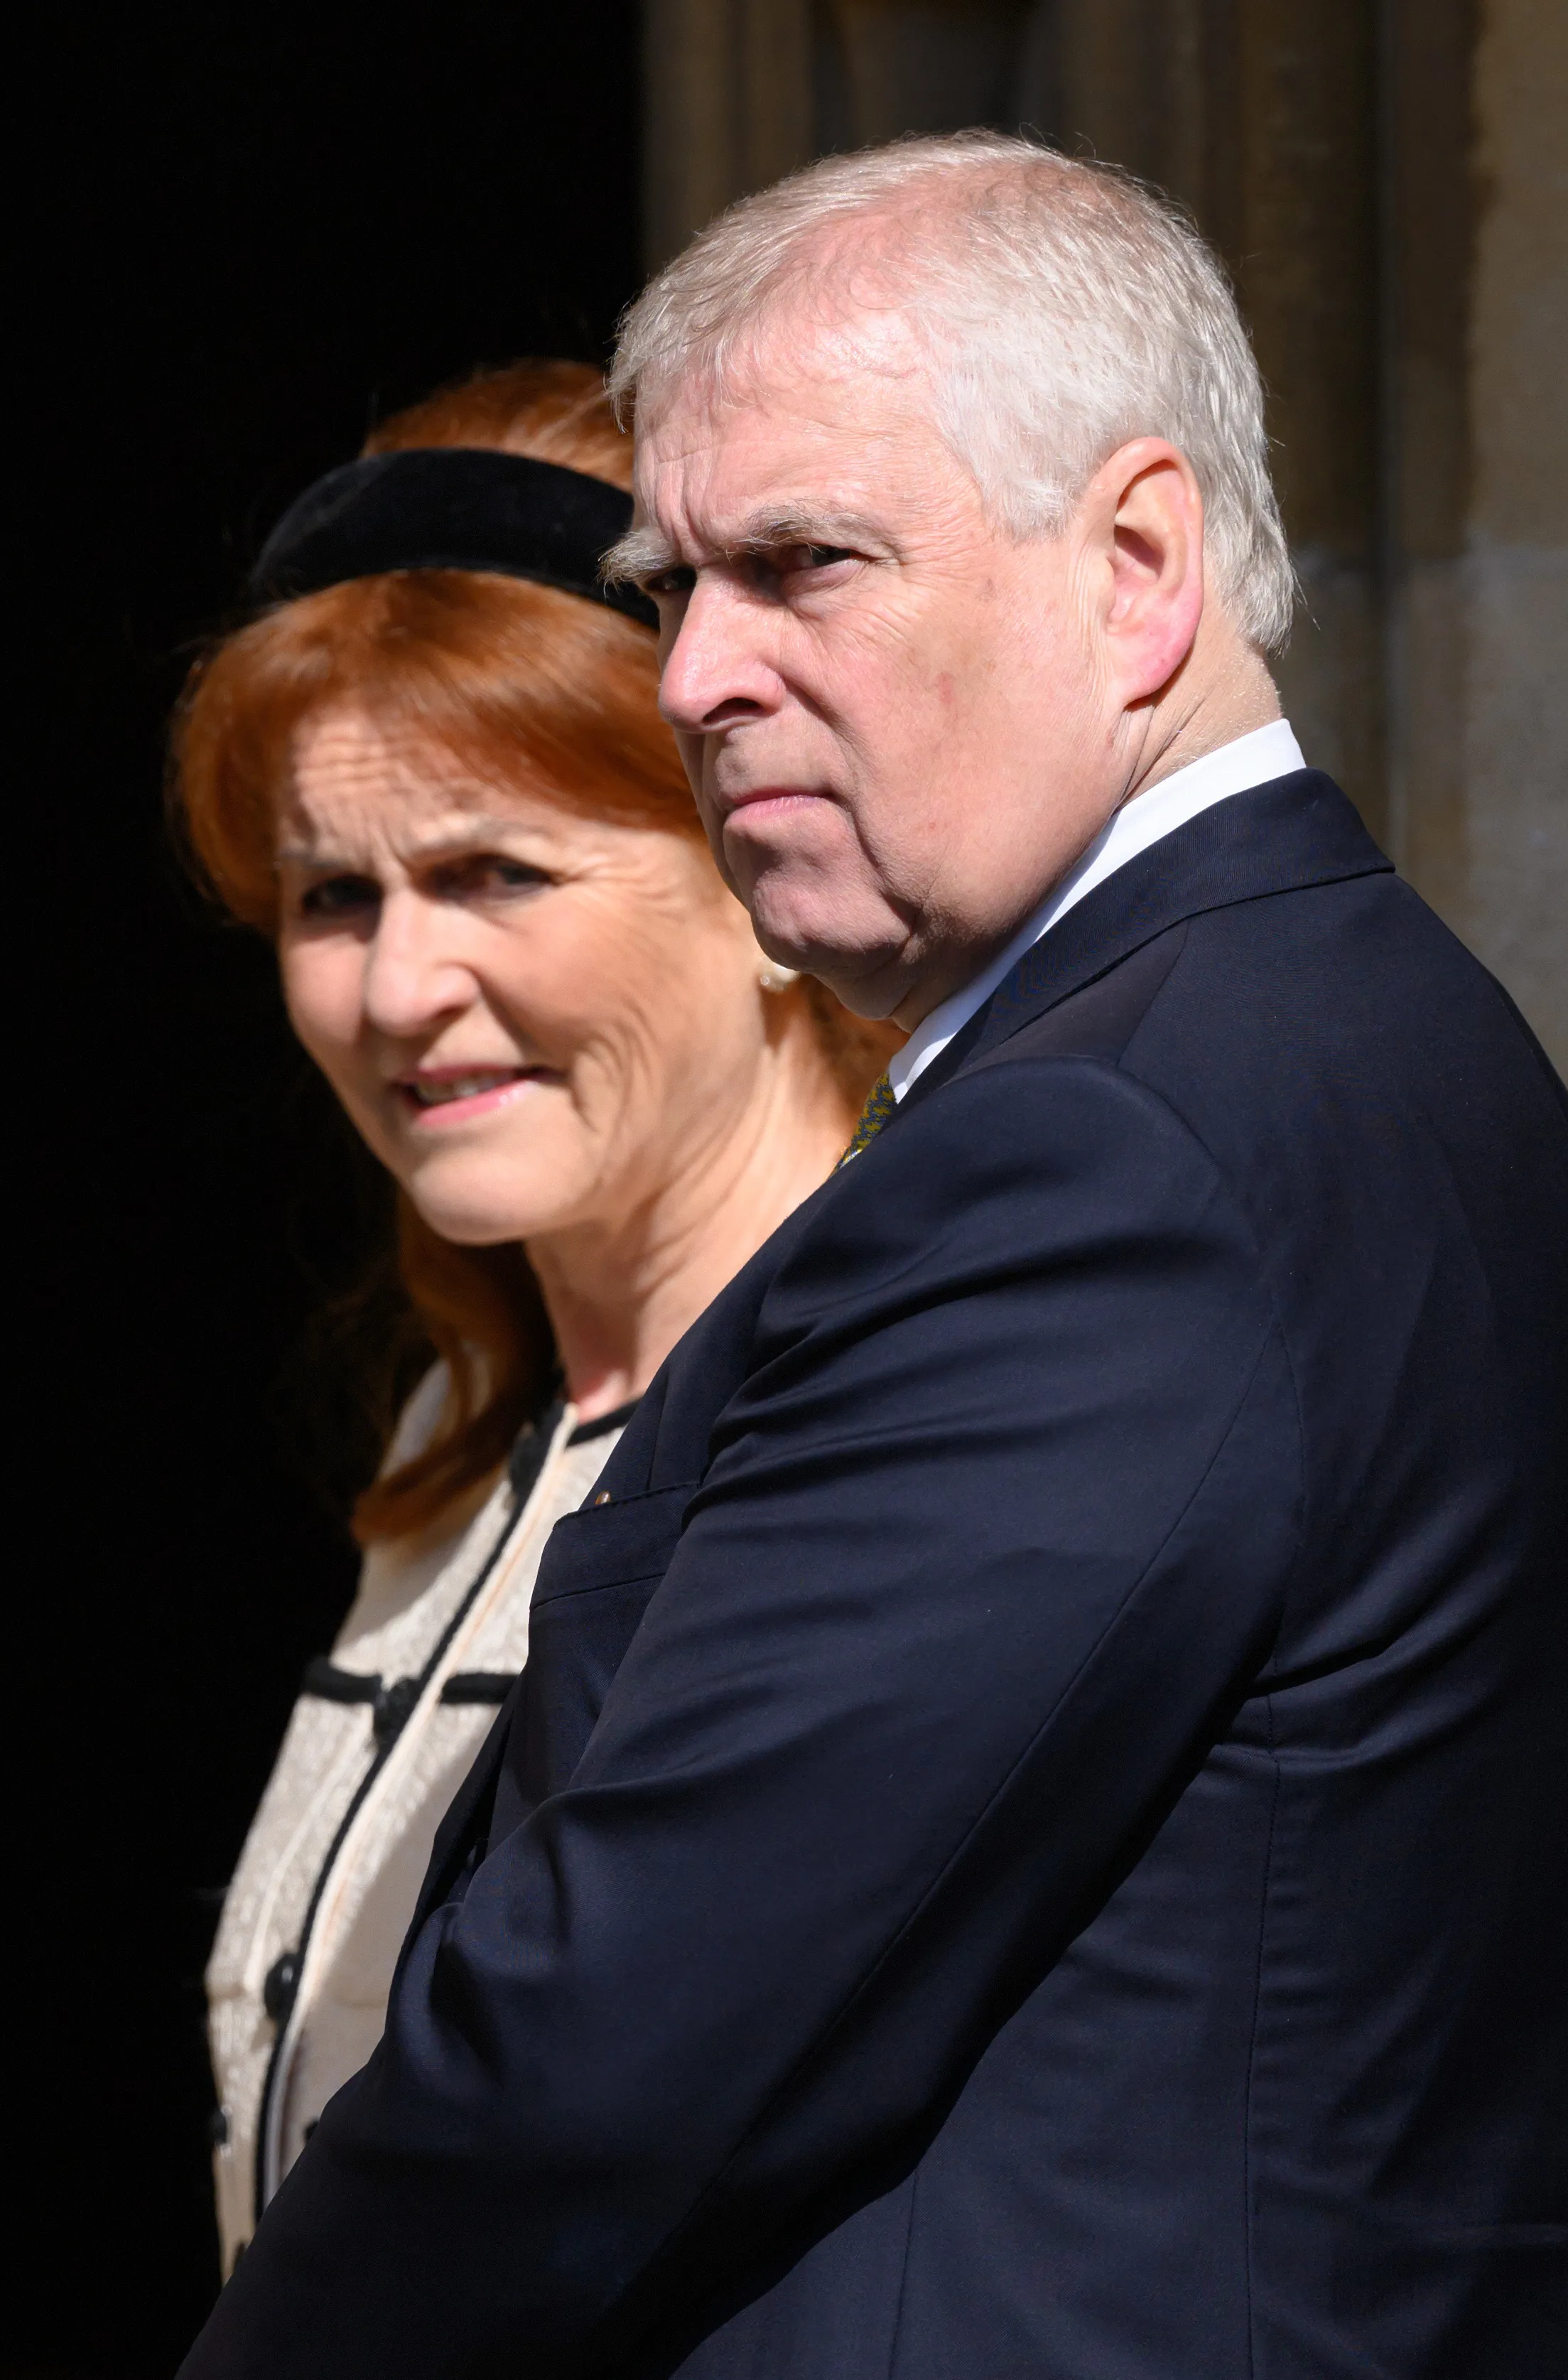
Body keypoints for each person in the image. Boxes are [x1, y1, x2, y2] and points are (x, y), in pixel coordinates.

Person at [182, 137, 1568, 2380]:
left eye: (801, 565)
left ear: (1139, 561)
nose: (698, 675)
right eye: (678, 583)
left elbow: (604, 2051)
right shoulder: (1330, 1042)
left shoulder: (1111, 1155)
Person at [172, 360, 894, 2274]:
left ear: (761, 872)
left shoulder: (888, 1410)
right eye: (335, 895)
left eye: (496, 870)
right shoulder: (458, 1423)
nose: (401, 984)